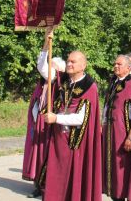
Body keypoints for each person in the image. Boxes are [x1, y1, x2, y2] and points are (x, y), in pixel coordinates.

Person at [42, 49, 102, 201]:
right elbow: (43, 69)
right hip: (59, 138)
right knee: (56, 177)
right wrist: (45, 43)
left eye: (73, 62)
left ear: (83, 65)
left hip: (76, 141)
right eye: (68, 61)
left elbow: (82, 119)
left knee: (73, 180)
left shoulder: (89, 86)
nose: (69, 64)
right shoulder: (65, 82)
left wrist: (56, 118)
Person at [22, 28, 66, 198]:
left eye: (51, 65)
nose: (48, 68)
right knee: (37, 154)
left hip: (50, 122)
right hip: (38, 121)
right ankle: (38, 184)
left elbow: (41, 65)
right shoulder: (44, 84)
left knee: (46, 155)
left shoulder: (57, 80)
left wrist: (46, 45)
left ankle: (47, 186)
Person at [102, 55, 131, 201]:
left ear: (129, 68)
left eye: (119, 64)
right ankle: (115, 195)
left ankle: (121, 196)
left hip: (123, 133)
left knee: (122, 169)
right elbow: (107, 107)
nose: (115, 66)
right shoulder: (114, 82)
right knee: (112, 167)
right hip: (111, 131)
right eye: (115, 63)